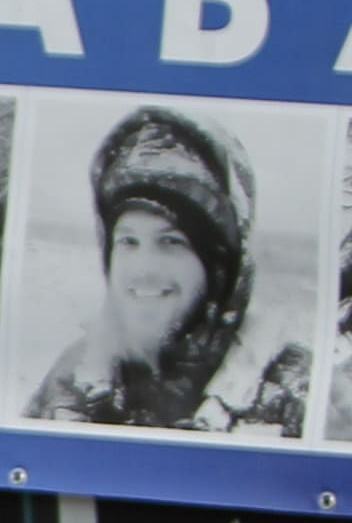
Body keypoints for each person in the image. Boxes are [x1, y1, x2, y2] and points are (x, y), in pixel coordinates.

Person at [29, 106, 311, 435]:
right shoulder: (75, 379)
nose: (144, 269)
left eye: (171, 242)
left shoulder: (296, 391)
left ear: (218, 266)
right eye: (128, 242)